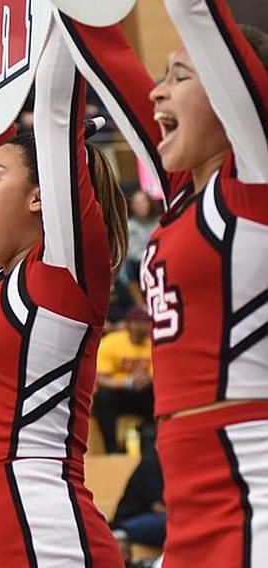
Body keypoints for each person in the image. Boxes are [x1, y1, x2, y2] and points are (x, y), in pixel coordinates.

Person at [53, 1, 268, 564]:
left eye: (180, 75)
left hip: (254, 476)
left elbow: (198, 10)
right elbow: (106, 47)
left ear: (232, 87)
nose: (157, 92)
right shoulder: (181, 194)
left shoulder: (254, 183)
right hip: (189, 487)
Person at [0, 5, 126, 565]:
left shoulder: (64, 271)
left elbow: (54, 113)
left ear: (42, 194)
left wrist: (49, 19)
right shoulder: (4, 282)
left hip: (45, 531)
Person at [94, 307, 155, 454]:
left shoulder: (153, 343)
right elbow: (100, 378)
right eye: (138, 322)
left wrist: (147, 379)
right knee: (103, 397)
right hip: (119, 392)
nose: (142, 326)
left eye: (145, 322)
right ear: (129, 324)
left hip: (144, 392)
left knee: (159, 395)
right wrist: (128, 382)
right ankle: (112, 449)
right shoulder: (111, 342)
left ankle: (152, 444)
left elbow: (158, 374)